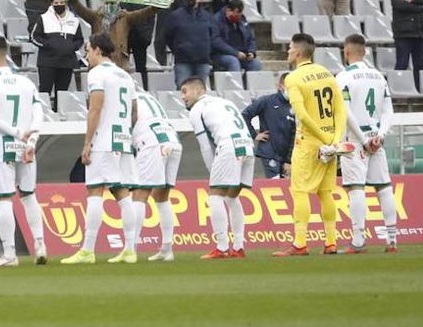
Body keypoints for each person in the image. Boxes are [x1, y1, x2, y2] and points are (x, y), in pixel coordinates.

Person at [60, 34, 138, 265]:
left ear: (97, 50)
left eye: (88, 50)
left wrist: (87, 143)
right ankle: (130, 249)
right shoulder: (125, 75)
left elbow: (95, 108)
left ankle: (87, 250)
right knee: (121, 192)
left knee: (94, 190)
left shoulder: (97, 74)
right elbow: (134, 111)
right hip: (122, 138)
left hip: (103, 141)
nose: (86, 55)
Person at [0, 36, 48, 267]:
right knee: (28, 195)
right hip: (27, 146)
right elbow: (38, 113)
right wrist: (31, 139)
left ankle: (9, 254)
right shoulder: (26, 83)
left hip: (3, 145)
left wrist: (17, 133)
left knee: (3, 198)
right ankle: (40, 245)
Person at [275, 33, 345, 257]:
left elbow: (303, 115)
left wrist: (323, 140)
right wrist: (334, 140)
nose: (288, 52)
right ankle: (331, 242)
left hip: (308, 143)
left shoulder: (293, 78)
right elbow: (341, 110)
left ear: (297, 52)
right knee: (326, 192)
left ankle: (300, 243)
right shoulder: (327, 73)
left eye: (289, 48)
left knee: (300, 191)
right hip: (330, 143)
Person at [336, 34, 398, 254]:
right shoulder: (379, 77)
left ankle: (359, 239)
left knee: (356, 188)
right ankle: (392, 241)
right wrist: (379, 136)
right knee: (384, 187)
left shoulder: (344, 77)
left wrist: (363, 140)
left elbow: (345, 112)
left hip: (356, 141)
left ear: (347, 51)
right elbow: (388, 111)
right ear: (364, 52)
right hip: (377, 140)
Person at [181, 78, 254, 259]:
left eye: (185, 91)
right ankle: (238, 246)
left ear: (199, 90)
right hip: (247, 145)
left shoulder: (197, 109)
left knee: (215, 195)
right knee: (232, 197)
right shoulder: (225, 101)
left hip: (228, 146)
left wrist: (211, 169)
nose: (182, 97)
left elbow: (205, 145)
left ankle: (221, 248)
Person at [126, 91, 182, 262]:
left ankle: (131, 249)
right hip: (172, 138)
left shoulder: (124, 94)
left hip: (150, 141)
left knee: (139, 193)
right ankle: (167, 249)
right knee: (161, 196)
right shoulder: (147, 95)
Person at [163, 0, 233, 87]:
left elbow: (213, 35)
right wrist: (178, 49)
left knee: (200, 91)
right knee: (183, 89)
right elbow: (168, 36)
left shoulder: (207, 16)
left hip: (202, 61)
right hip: (183, 61)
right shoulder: (175, 16)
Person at [242, 73, 296, 178]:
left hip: (286, 156)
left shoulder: (295, 105)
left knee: (287, 186)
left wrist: (289, 160)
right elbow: (245, 115)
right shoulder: (267, 101)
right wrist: (254, 135)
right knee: (276, 183)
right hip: (269, 153)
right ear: (280, 85)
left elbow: (294, 134)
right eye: (288, 86)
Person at [33, 0, 84, 103]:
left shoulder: (74, 20)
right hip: (47, 62)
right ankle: (43, 113)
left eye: (61, 3)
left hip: (67, 62)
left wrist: (71, 47)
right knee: (45, 91)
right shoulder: (43, 18)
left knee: (62, 93)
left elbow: (79, 40)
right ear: (52, 3)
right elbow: (34, 37)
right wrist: (48, 45)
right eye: (56, 3)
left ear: (65, 4)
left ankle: (60, 114)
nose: (59, 5)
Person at [212, 0, 261, 73]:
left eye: (240, 14)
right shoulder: (216, 20)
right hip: (221, 54)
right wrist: (235, 53)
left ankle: (247, 83)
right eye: (236, 13)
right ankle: (236, 83)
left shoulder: (242, 19)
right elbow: (216, 41)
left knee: (255, 64)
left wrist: (251, 52)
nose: (238, 16)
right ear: (228, 10)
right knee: (233, 62)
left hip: (242, 54)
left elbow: (250, 38)